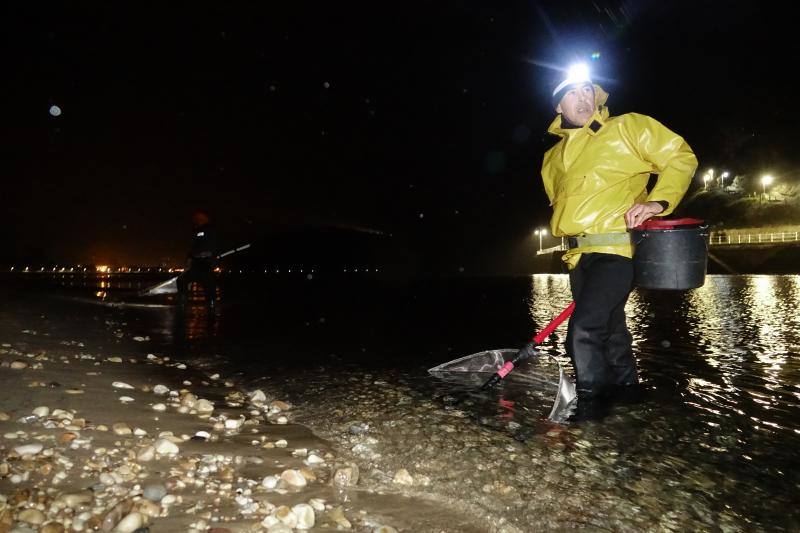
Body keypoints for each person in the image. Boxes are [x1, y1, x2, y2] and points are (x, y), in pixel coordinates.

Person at [539, 64, 698, 404]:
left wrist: (658, 201)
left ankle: (592, 411)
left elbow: (680, 156)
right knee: (611, 333)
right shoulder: (550, 160)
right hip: (577, 258)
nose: (583, 98)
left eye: (587, 90)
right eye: (572, 92)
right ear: (558, 105)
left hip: (617, 252)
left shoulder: (626, 128)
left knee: (582, 332)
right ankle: (629, 399)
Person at [177, 210, 220, 307]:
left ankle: (212, 304)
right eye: (196, 218)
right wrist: (189, 259)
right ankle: (182, 303)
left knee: (208, 283)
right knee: (181, 280)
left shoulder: (212, 229)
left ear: (206, 218)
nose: (197, 220)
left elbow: (215, 244)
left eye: (200, 218)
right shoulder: (196, 231)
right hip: (196, 262)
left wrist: (211, 254)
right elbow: (192, 247)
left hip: (207, 262)